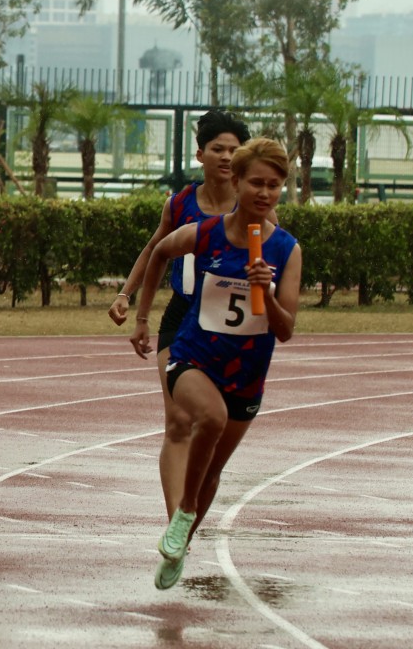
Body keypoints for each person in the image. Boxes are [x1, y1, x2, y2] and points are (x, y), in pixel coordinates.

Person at [129, 137, 301, 589]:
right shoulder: (206, 233)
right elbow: (159, 252)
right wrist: (143, 313)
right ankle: (183, 514)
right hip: (193, 357)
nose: (264, 193)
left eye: (275, 185)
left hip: (247, 374)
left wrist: (265, 291)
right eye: (256, 183)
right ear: (238, 181)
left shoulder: (285, 250)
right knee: (209, 417)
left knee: (212, 470)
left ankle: (178, 547)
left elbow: (284, 329)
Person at [108, 110, 252, 540]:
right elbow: (156, 251)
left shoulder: (253, 206)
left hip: (229, 330)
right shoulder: (180, 204)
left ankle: (189, 514)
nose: (226, 157)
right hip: (182, 319)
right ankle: (176, 527)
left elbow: (276, 263)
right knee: (177, 421)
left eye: (234, 150)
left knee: (212, 431)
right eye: (218, 149)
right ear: (200, 154)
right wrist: (130, 301)